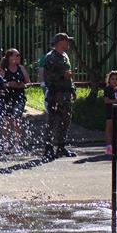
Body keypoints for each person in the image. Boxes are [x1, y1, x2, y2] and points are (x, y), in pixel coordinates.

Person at [42, 33, 77, 161]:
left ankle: (61, 147)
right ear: (59, 42)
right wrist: (63, 76)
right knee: (52, 121)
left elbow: (69, 76)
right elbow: (48, 78)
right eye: (66, 41)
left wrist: (73, 89)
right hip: (56, 94)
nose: (68, 43)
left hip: (66, 94)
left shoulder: (65, 56)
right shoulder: (50, 57)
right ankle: (48, 148)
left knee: (65, 121)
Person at [2, 48, 30, 153]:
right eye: (16, 55)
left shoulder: (21, 68)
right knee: (8, 121)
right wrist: (9, 84)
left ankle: (17, 144)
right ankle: (6, 143)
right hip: (8, 97)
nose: (18, 57)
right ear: (10, 57)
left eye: (19, 55)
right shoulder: (3, 69)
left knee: (17, 120)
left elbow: (28, 82)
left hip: (19, 97)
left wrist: (23, 85)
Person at [103, 70, 117, 155]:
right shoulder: (108, 89)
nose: (115, 81)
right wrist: (116, 101)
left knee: (116, 129)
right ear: (109, 80)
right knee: (109, 129)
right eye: (113, 79)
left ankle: (115, 146)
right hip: (110, 111)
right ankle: (108, 147)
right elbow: (106, 100)